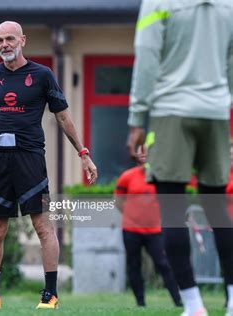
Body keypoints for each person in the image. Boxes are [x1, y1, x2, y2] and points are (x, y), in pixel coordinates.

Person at [0, 21, 98, 309]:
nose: (4, 45)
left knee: (43, 226)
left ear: (22, 41)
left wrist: (83, 152)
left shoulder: (42, 75)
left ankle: (50, 294)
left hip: (30, 160)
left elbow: (63, 117)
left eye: (9, 39)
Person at [127, 1, 233, 315]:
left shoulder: (158, 2)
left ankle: (193, 305)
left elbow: (146, 58)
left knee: (173, 211)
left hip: (170, 111)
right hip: (215, 111)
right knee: (218, 210)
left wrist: (136, 118)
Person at [115, 165, 182, 308]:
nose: (144, 155)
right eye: (141, 151)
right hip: (131, 229)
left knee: (164, 264)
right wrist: (132, 216)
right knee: (134, 265)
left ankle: (178, 301)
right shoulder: (127, 176)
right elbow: (118, 201)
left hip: (155, 230)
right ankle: (141, 303)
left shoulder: (160, 176)